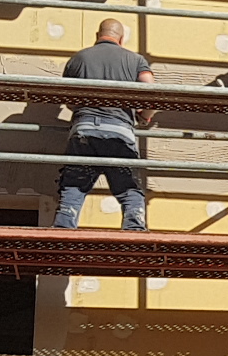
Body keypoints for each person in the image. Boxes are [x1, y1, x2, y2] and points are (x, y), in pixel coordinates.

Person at [52, 18, 157, 231]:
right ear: (122, 38)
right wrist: (144, 116)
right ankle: (134, 232)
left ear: (97, 35)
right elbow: (151, 92)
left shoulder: (78, 58)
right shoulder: (135, 60)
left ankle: (63, 230)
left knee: (73, 186)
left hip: (84, 131)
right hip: (119, 132)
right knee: (128, 188)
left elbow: (68, 99)